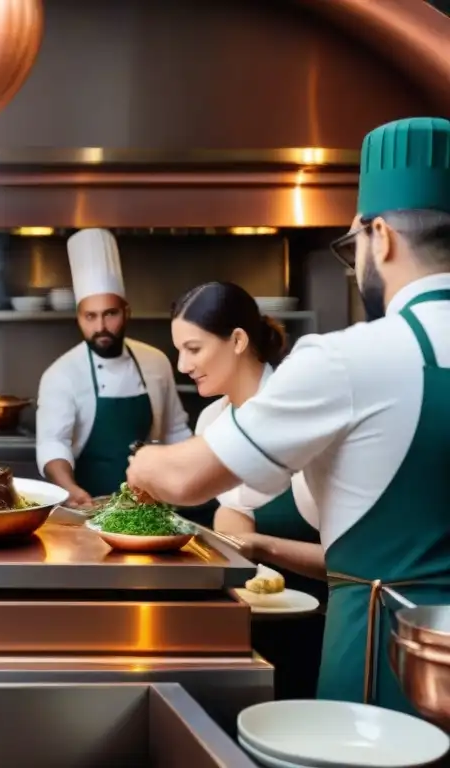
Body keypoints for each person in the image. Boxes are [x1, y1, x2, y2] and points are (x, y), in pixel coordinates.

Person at [127, 116, 450, 715]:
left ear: (379, 237)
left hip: (383, 666)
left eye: (355, 249)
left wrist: (143, 461)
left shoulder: (349, 357)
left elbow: (184, 480)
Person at [172, 280, 327, 699]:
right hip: (254, 619)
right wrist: (232, 543)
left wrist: (260, 547)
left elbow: (352, 563)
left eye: (193, 349)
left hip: (324, 626)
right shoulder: (212, 420)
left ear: (237, 340)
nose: (182, 365)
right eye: (179, 351)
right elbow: (235, 509)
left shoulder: (305, 410)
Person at [36, 228, 191, 507]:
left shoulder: (155, 361)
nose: (101, 327)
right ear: (78, 318)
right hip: (87, 505)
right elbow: (52, 443)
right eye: (90, 317)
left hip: (151, 504)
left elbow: (175, 432)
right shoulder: (61, 374)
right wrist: (69, 488)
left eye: (110, 314)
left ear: (127, 312)